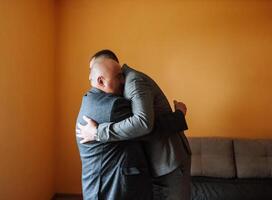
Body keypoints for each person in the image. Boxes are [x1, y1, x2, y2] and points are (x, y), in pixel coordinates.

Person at [77, 49, 191, 200]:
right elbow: (139, 128)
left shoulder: (133, 83)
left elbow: (143, 125)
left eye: (93, 70)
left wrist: (98, 132)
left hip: (169, 162)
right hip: (154, 165)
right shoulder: (107, 100)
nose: (90, 76)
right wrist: (178, 116)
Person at [76, 61, 152, 200]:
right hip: (111, 189)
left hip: (97, 187)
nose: (123, 81)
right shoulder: (114, 105)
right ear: (101, 81)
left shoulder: (89, 99)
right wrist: (178, 117)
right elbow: (146, 125)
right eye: (118, 77)